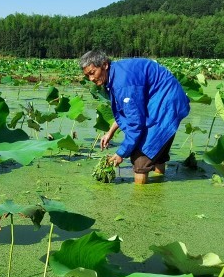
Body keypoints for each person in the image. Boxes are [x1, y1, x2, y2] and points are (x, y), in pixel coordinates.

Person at [80, 51, 191, 184]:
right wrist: (110, 132)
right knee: (158, 154)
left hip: (166, 103)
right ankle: (159, 186)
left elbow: (135, 124)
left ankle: (140, 198)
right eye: (87, 76)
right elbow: (127, 111)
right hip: (167, 98)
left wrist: (121, 153)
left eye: (92, 73)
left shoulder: (123, 83)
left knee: (141, 157)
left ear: (104, 65)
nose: (91, 79)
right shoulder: (116, 74)